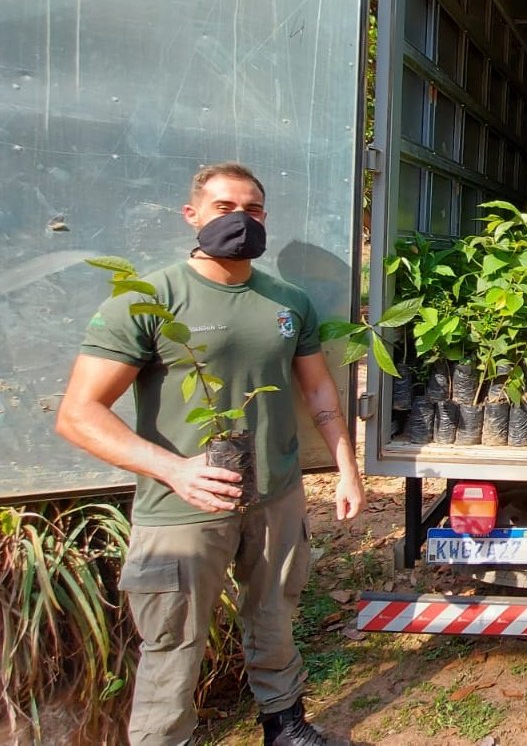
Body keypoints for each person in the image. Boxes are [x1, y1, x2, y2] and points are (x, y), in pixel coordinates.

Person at [56, 162, 365, 746]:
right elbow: (78, 413)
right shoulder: (150, 300)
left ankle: (285, 723)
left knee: (275, 613)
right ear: (192, 214)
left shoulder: (287, 301)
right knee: (173, 638)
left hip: (274, 494)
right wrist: (174, 469)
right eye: (225, 207)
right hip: (182, 506)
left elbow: (319, 391)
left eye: (253, 209)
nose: (241, 219)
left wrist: (347, 468)